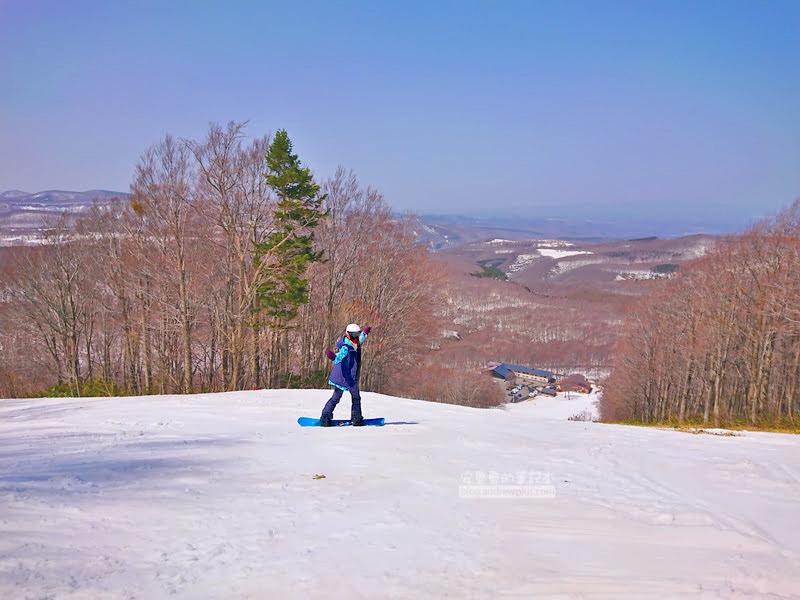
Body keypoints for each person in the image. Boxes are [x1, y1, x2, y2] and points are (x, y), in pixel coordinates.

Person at [320, 323, 371, 426]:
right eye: (354, 335)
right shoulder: (346, 347)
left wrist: (365, 333)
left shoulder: (355, 342)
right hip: (343, 377)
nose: (356, 337)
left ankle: (356, 418)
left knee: (355, 397)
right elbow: (339, 357)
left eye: (357, 334)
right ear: (348, 334)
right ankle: (325, 417)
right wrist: (333, 357)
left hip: (352, 376)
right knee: (337, 397)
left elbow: (360, 339)